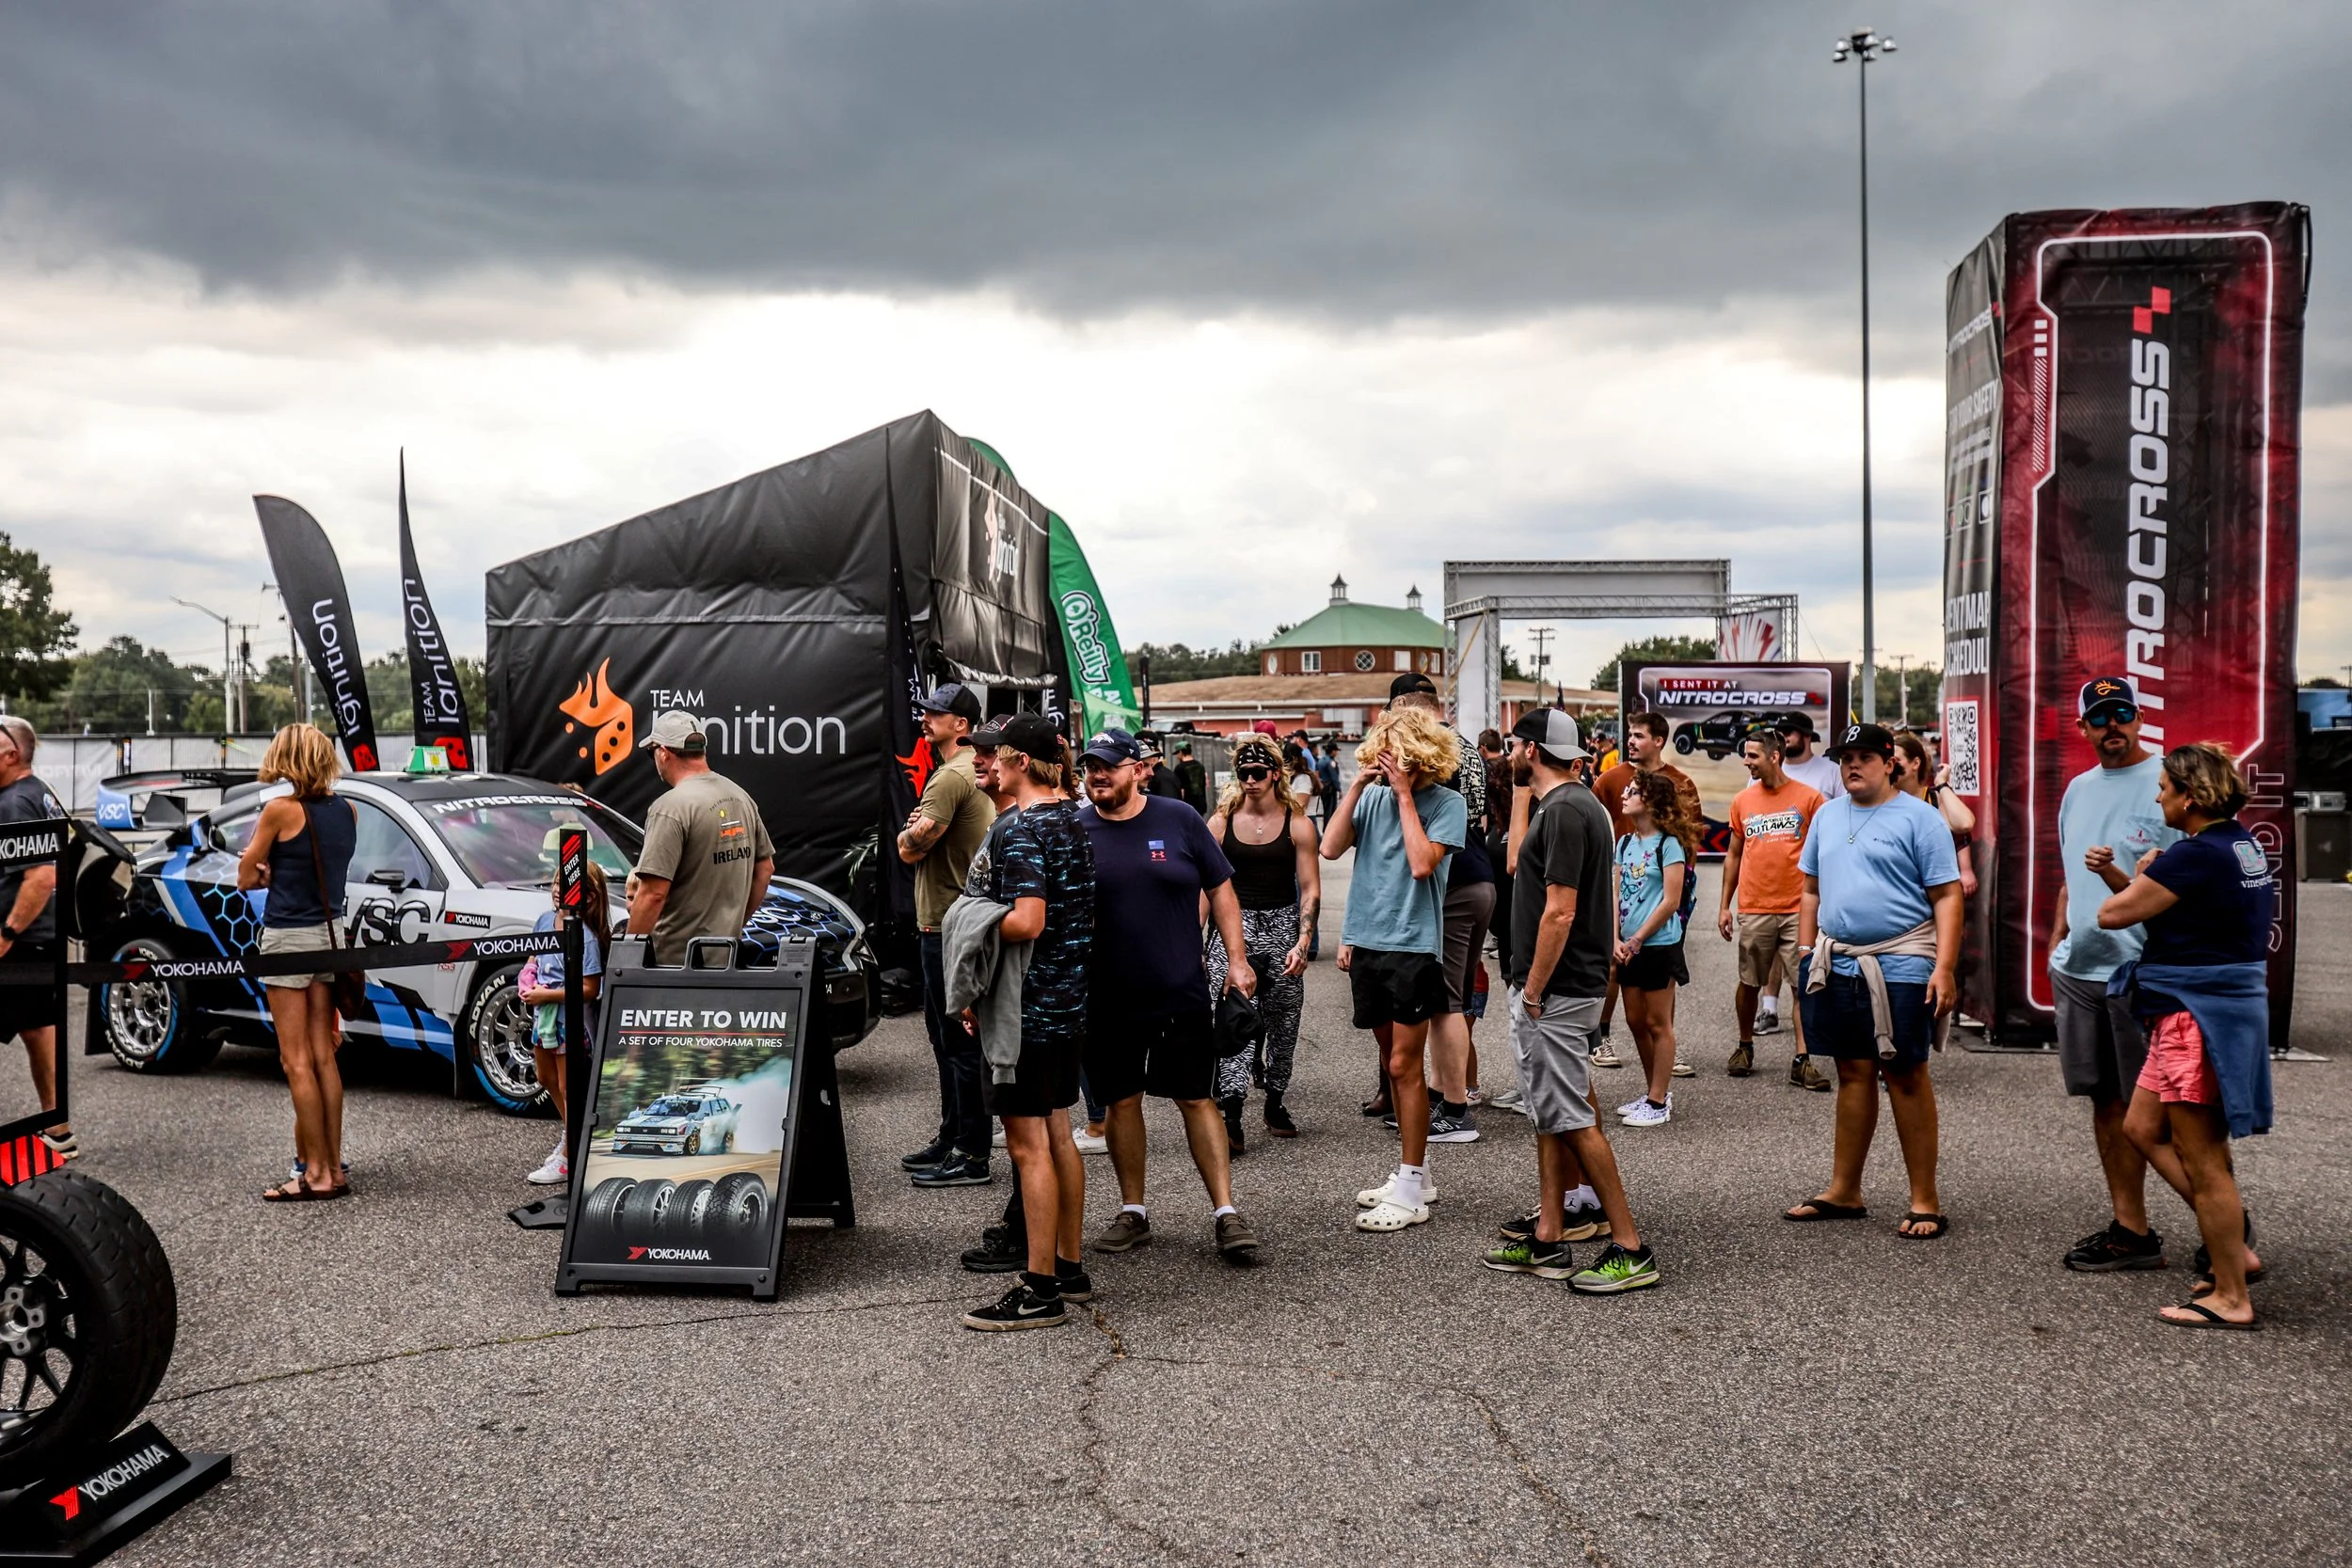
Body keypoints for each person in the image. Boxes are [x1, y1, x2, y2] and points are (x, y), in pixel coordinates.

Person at [1481, 708, 1661, 1292]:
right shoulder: (1581, 804)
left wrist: (1532, 987)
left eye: (1515, 744)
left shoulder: (1562, 810)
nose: (1510, 752)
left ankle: (1631, 1249)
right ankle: (1550, 1236)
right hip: (1569, 983)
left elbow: (1560, 908)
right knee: (1552, 1113)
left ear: (1531, 749)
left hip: (1556, 989)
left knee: (1574, 1118)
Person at [2099, 742, 2275, 1328]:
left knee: (2205, 1159)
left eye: (2166, 789)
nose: (2158, 797)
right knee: (2142, 1127)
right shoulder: (2241, 844)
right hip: (2212, 1008)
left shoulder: (2191, 856)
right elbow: (2180, 911)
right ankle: (2233, 1247)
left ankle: (2231, 1293)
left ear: (2191, 797)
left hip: (2194, 1017)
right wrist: (2144, 877)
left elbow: (2114, 915)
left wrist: (2142, 873)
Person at [1078, 728, 1263, 1261]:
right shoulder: (1076, 828)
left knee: (1195, 1097)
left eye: (1109, 765)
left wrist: (1237, 959)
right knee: (1120, 1101)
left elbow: (1221, 887)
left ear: (1137, 769)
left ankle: (1226, 1213)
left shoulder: (1177, 818)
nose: (1097, 774)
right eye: (1090, 766)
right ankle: (1133, 1211)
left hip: (1179, 990)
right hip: (1107, 995)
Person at [1784, 724, 1963, 1241]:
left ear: (1891, 764)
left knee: (1906, 1073)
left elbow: (1948, 897)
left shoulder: (1921, 819)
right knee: (1852, 1072)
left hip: (1904, 962)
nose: (1852, 766)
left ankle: (1924, 1198)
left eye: (1864, 757)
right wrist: (1803, 950)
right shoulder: (1828, 814)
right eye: (1845, 759)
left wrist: (1944, 967)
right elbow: (1811, 889)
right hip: (1836, 961)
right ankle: (1845, 1190)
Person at [2044, 677, 2192, 1272]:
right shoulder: (2078, 789)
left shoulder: (2169, 784)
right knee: (2107, 1105)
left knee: (2176, 1113)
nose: (2113, 727)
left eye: (2122, 715)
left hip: (2144, 974)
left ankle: (2227, 1227)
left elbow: (2191, 879)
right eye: (2100, 718)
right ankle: (2132, 1229)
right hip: (2082, 972)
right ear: (2082, 728)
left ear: (2139, 720)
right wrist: (2060, 933)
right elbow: (2070, 874)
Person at [961, 715, 1100, 1331]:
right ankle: (1069, 1268)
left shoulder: (1017, 829)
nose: (990, 762)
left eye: (999, 755)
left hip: (1024, 1008)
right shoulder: (1074, 817)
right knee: (1060, 1134)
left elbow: (1028, 920)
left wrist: (972, 922)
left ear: (1017, 761)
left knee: (1028, 1148)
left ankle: (1039, 1288)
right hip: (1068, 1003)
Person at [1322, 703, 1468, 1232]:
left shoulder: (1447, 803)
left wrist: (1405, 794)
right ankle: (1417, 1172)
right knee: (1392, 1062)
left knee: (1407, 1066)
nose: (1388, 758)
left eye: (1398, 747)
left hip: (1413, 945)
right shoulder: (1373, 796)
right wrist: (1359, 787)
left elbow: (1421, 861)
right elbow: (1330, 846)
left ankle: (1410, 1188)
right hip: (1369, 941)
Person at [239, 723, 358, 1202]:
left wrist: (267, 871)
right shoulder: (346, 810)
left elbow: (246, 875)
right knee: (323, 1055)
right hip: (331, 934)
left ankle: (315, 1174)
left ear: (285, 757)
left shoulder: (279, 810)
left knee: (295, 1061)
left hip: (288, 938)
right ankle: (333, 1166)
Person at [890, 685, 998, 1187]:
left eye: (938, 714)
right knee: (945, 1040)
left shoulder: (953, 775)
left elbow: (912, 848)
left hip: (950, 925)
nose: (926, 719)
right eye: (927, 711)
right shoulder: (966, 770)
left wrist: (907, 835)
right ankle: (953, 1135)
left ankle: (972, 1153)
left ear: (962, 723)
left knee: (957, 1044)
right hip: (950, 922)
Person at [1388, 675, 1491, 1145]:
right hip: (1479, 873)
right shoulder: (1466, 746)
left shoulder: (1428, 748)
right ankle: (1435, 1097)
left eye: (1395, 710)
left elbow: (1422, 815)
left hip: (1454, 880)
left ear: (1409, 706)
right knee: (1453, 997)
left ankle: (1455, 1108)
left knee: (1446, 1002)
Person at [1206, 735, 1320, 1145]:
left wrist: (1303, 941)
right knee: (1234, 1018)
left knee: (1283, 1019)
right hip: (1234, 927)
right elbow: (1206, 886)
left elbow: (1309, 888)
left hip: (1282, 926)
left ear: (1275, 774)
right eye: (1243, 773)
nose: (1250, 780)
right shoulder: (1220, 822)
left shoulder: (1298, 823)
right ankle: (1232, 1115)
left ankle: (1274, 1097)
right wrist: (1195, 943)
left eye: (1258, 773)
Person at [1717, 729, 1829, 1089]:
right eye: (1746, 756)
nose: (1747, 762)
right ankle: (1744, 1046)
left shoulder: (1810, 799)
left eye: (1753, 756)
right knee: (1750, 982)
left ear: (1774, 756)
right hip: (1756, 907)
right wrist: (1724, 906)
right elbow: (1734, 855)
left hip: (1799, 909)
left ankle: (1803, 1059)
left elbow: (1825, 853)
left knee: (1802, 985)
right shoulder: (1742, 802)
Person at [1591, 712, 1700, 1073]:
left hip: (1662, 896)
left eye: (1639, 735)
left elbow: (1690, 840)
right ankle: (1600, 1036)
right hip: (1621, 894)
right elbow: (1593, 823)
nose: (1631, 741)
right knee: (1612, 969)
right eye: (1630, 735)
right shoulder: (1610, 780)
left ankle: (1664, 1044)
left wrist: (1678, 894)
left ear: (1659, 741)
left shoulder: (1680, 782)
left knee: (1660, 976)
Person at [0, 721, 71, 1159]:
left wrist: (6, 933)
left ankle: (58, 1126)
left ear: (11, 755)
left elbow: (42, 875)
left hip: (20, 939)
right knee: (38, 1029)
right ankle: (57, 1126)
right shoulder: (39, 792)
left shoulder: (15, 802)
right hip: (39, 936)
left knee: (39, 1029)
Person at [1611, 771, 1697, 1128]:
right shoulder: (1624, 843)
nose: (1625, 796)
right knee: (1634, 1021)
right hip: (1627, 946)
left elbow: (1670, 901)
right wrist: (1615, 937)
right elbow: (1614, 893)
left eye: (1633, 792)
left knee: (1657, 1023)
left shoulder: (1669, 844)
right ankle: (1652, 1091)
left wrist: (1637, 938)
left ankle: (1659, 1100)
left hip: (1658, 945)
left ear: (1651, 801)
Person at [521, 858, 611, 1187]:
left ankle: (571, 1157)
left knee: (567, 1086)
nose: (558, 890)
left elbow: (590, 988)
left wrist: (547, 995)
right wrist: (527, 977)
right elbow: (533, 957)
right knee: (545, 1078)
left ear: (588, 897)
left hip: (566, 1020)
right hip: (543, 1017)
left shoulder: (584, 936)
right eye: (556, 882)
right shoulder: (545, 920)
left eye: (567, 884)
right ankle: (573, 1137)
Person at [1760, 711, 1844, 1037]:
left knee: (1811, 944)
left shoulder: (1829, 771)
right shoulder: (1765, 771)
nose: (1783, 735)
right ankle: (1768, 1008)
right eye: (1779, 731)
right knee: (1772, 947)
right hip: (1774, 874)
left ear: (1807, 736)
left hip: (1819, 871)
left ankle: (1814, 1012)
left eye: (1790, 731)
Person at [1892, 730, 1979, 898]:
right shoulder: (1883, 800)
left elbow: (1963, 826)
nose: (1890, 766)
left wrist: (1942, 784)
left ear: (1915, 764)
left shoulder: (1933, 797)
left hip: (1934, 889)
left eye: (1896, 760)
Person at [1172, 743, 1210, 816]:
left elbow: (1180, 790)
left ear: (1181, 752)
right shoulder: (1200, 766)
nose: (1177, 756)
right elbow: (1206, 784)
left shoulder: (1179, 768)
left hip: (1187, 806)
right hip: (1201, 805)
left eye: (1177, 753)